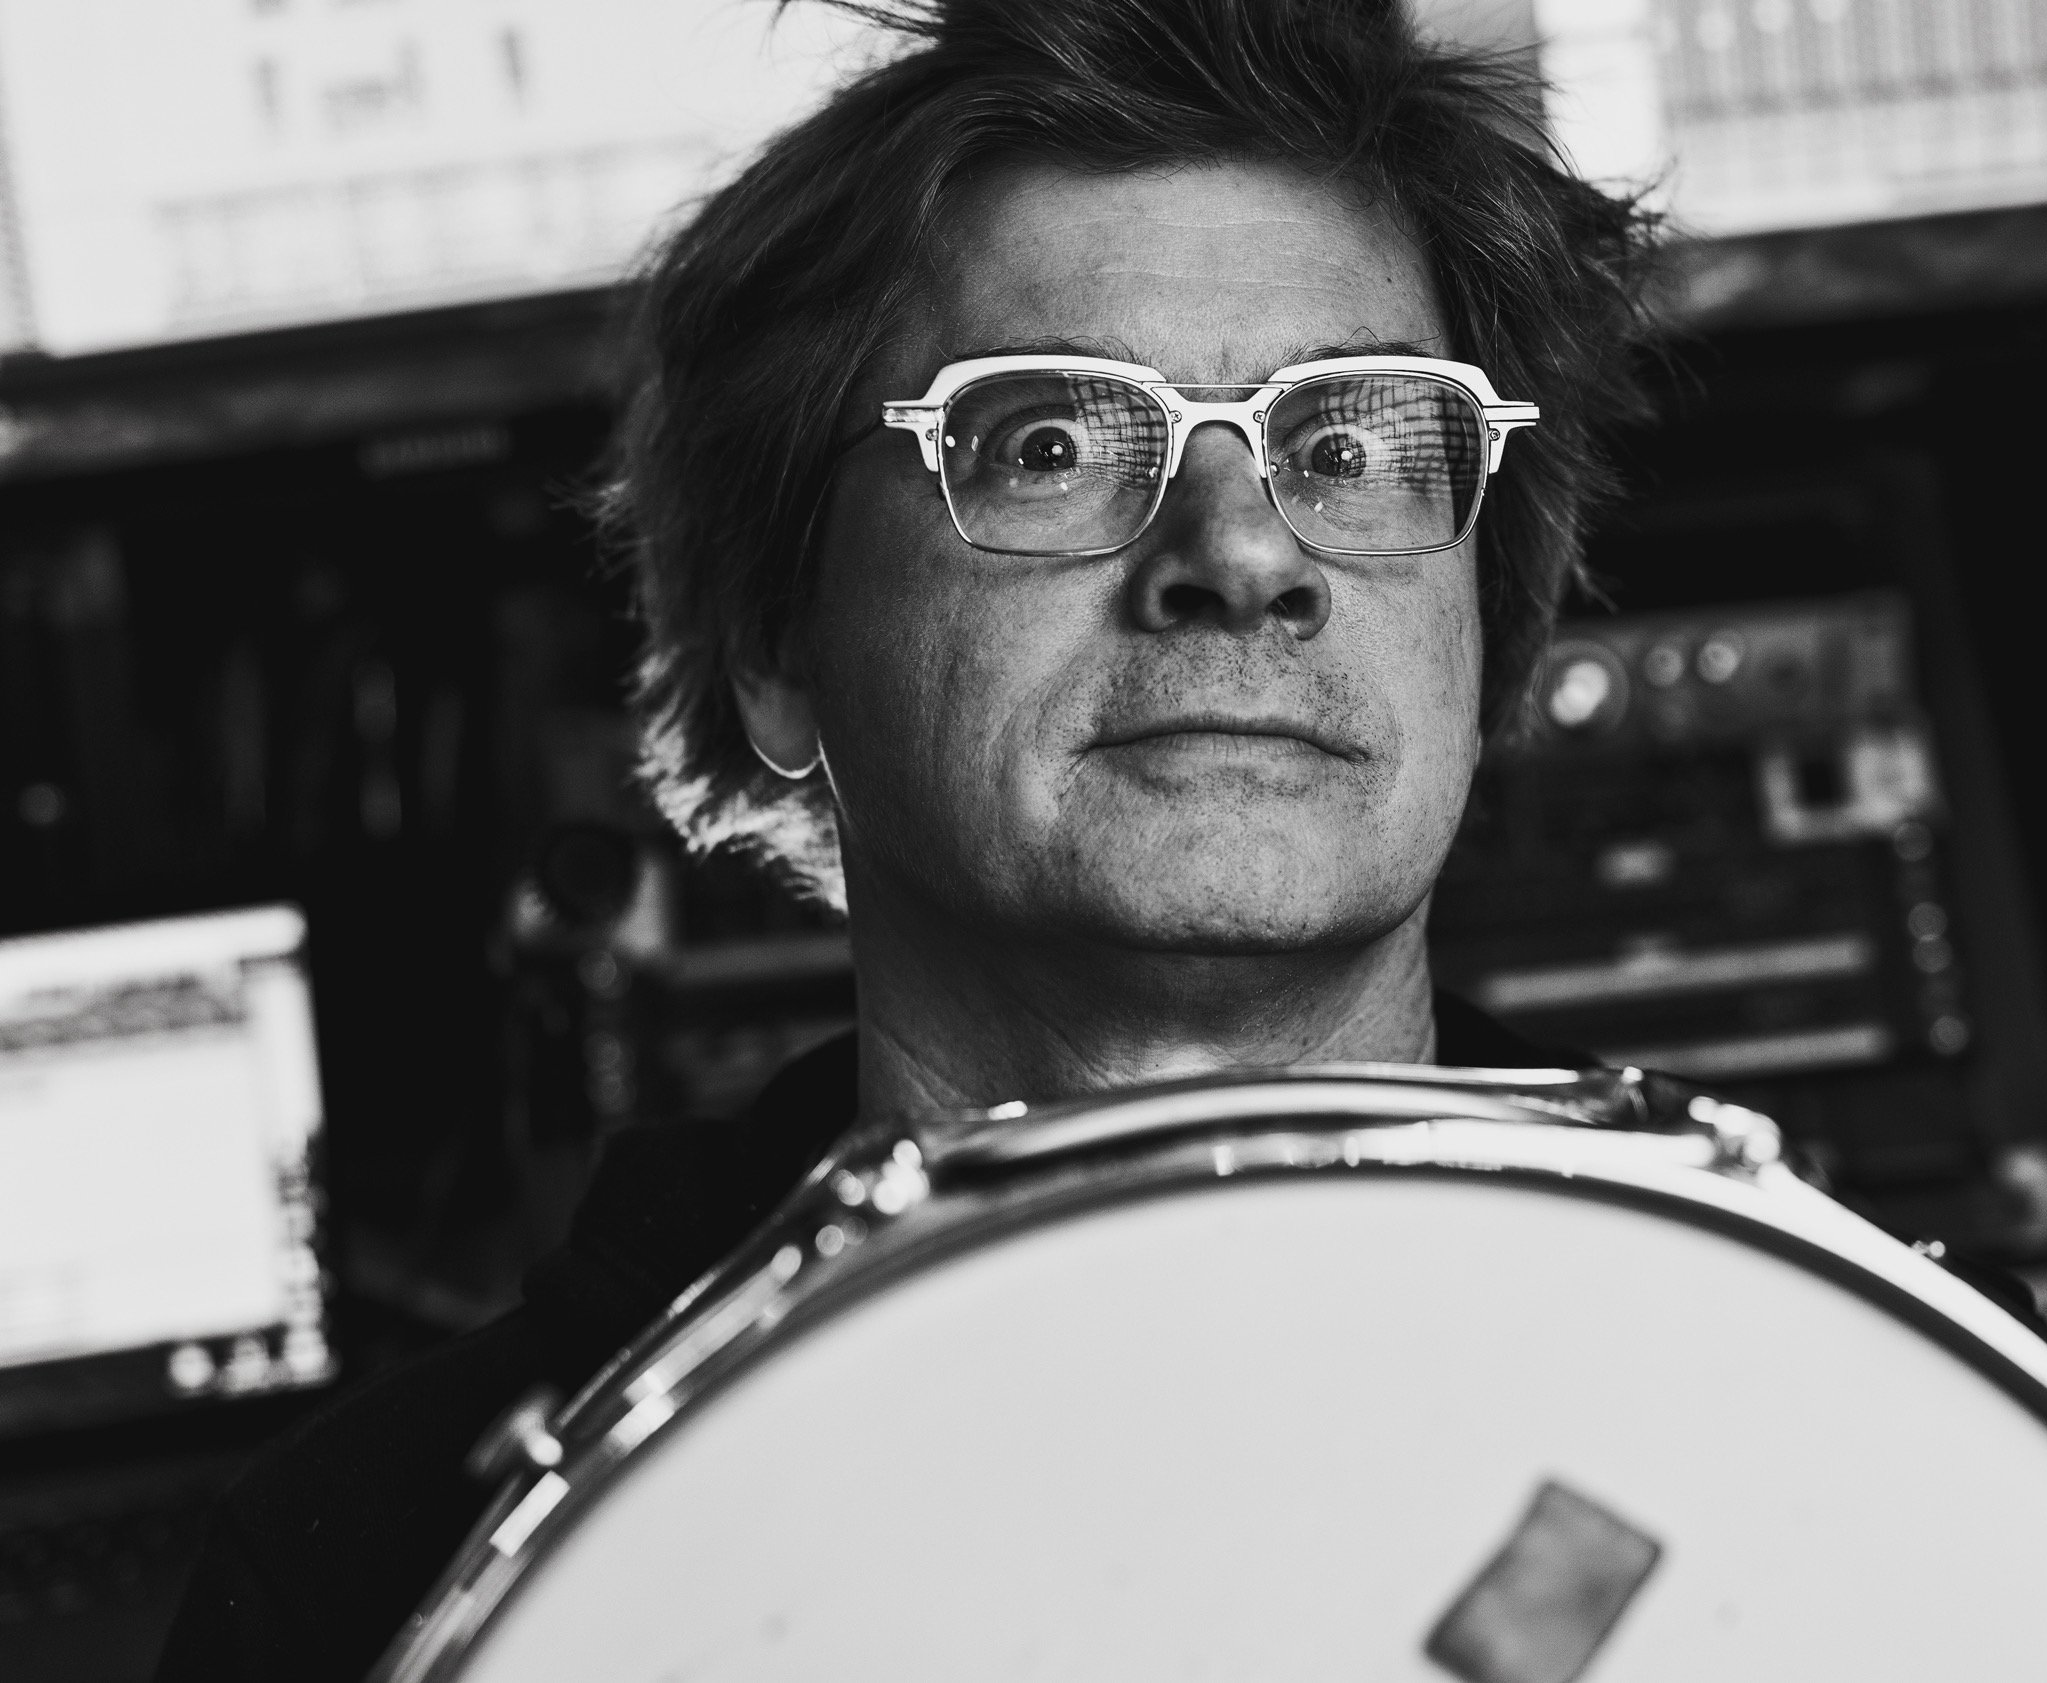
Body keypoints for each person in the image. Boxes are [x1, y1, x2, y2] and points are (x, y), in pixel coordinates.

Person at [155, 0, 1657, 1675]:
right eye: (1048, 443)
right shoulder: (368, 1570)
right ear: (774, 649)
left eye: (1357, 441)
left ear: (1487, 631)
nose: (1242, 552)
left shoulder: (1846, 1381)